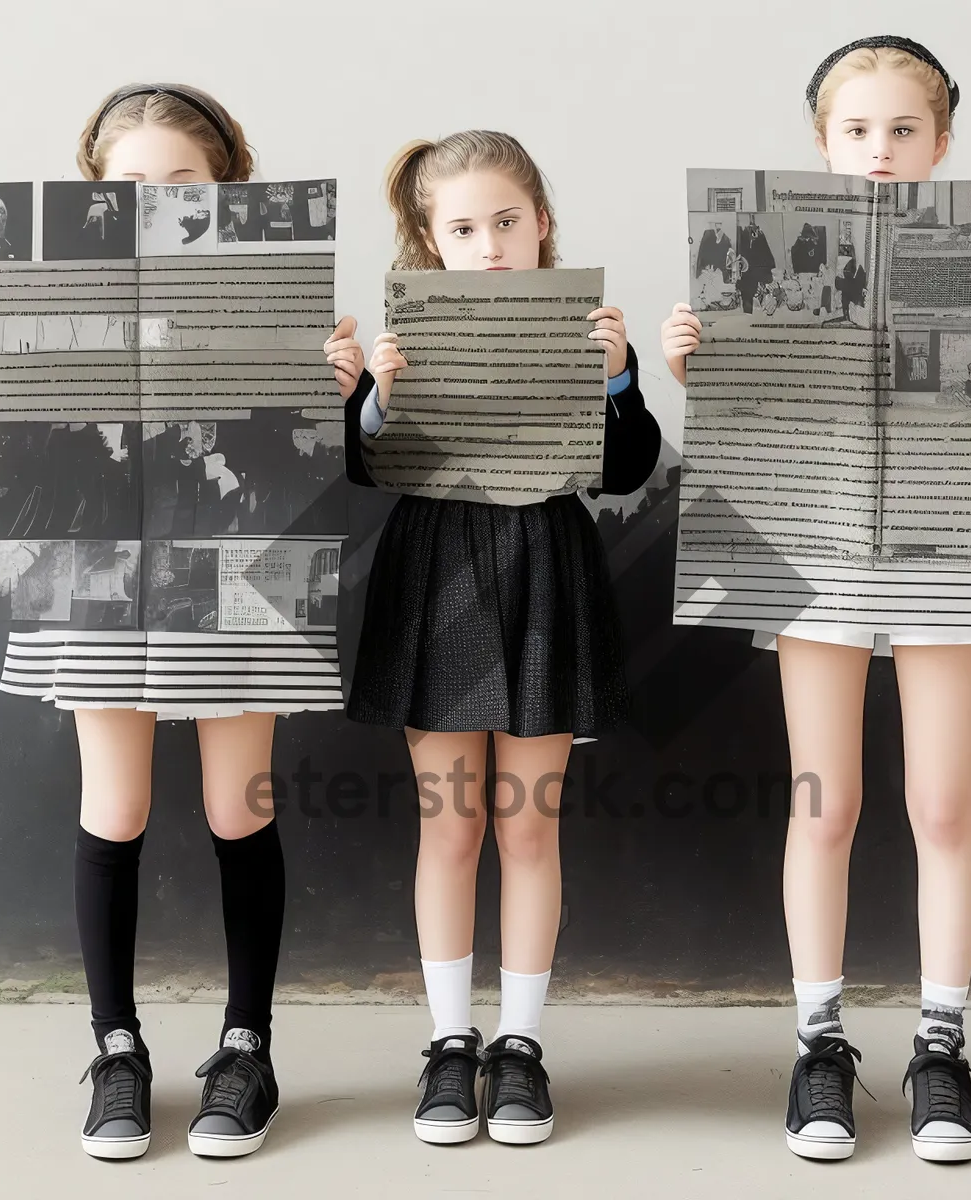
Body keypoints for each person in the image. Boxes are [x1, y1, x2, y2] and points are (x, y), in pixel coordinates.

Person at [660, 35, 971, 1164]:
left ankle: (941, 1046)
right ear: (821, 143)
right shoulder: (770, 265)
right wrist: (694, 367)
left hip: (950, 548)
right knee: (824, 803)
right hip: (816, 548)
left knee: (943, 805)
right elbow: (755, 424)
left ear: (943, 142)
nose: (879, 150)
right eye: (856, 130)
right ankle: (819, 1042)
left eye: (903, 129)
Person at [0, 83, 371, 1162]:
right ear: (95, 195)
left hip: (237, 579)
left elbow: (320, 463)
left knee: (238, 806)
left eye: (183, 184)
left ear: (224, 192)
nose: (157, 201)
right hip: (93, 579)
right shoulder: (50, 296)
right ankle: (116, 1048)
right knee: (113, 808)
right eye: (131, 184)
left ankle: (246, 1046)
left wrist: (340, 394)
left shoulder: (275, 301)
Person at [341, 130, 660, 1146]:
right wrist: (375, 395)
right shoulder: (407, 339)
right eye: (464, 228)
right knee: (452, 826)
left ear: (542, 226)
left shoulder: (590, 328)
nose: (489, 245)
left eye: (507, 223)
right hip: (436, 569)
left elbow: (627, 470)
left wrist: (616, 377)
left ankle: (518, 1048)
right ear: (430, 243)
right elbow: (361, 466)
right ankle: (448, 1046)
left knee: (528, 826)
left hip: (544, 564)